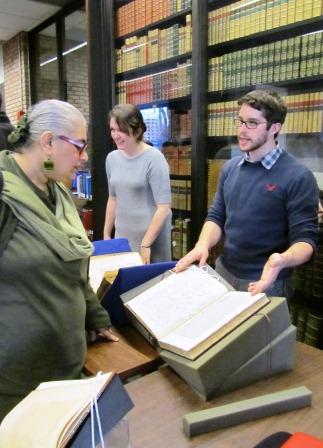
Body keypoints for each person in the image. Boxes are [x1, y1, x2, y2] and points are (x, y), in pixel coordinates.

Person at [0, 99, 118, 422]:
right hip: (15, 386)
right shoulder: (4, 193)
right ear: (48, 142)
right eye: (79, 147)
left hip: (66, 369)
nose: (84, 158)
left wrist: (95, 315)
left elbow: (74, 269)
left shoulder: (57, 189)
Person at [176, 90, 319, 297]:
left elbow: (306, 241)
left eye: (252, 123)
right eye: (240, 121)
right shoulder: (230, 168)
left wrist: (282, 259)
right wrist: (202, 244)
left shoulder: (298, 176)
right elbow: (217, 216)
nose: (242, 130)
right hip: (224, 272)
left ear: (275, 128)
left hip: (266, 280)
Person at [103, 104, 172, 264]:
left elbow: (164, 207)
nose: (116, 135)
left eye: (122, 130)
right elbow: (113, 198)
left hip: (150, 240)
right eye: (113, 130)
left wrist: (146, 243)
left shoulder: (154, 159)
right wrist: (106, 233)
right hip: (123, 238)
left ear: (138, 131)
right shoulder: (111, 159)